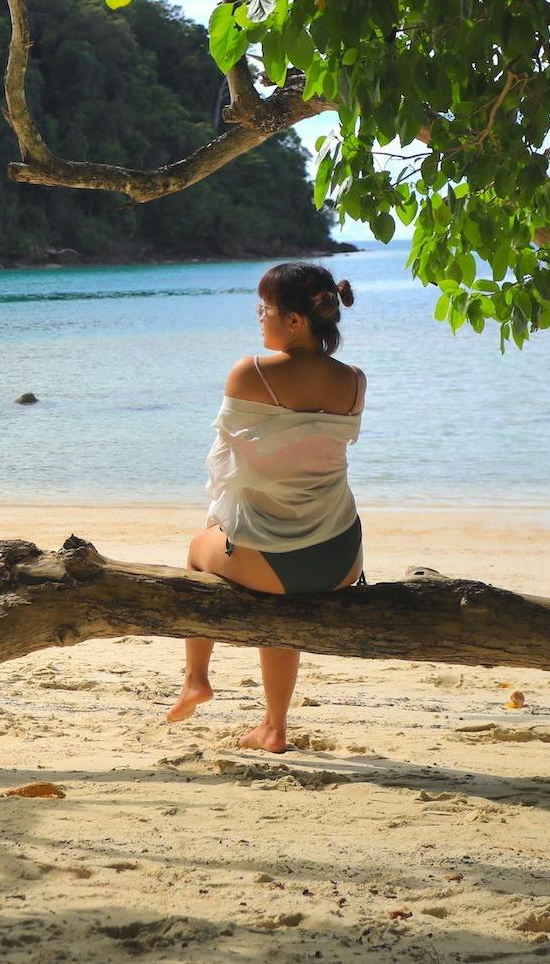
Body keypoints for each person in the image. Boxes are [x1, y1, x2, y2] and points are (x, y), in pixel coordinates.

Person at [165, 260, 366, 753]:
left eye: (265, 309)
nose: (259, 317)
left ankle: (196, 678)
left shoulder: (251, 371)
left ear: (295, 321)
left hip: (280, 563)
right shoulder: (355, 380)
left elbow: (225, 466)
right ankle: (274, 728)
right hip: (342, 555)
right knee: (280, 574)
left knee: (198, 549)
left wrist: (227, 524)